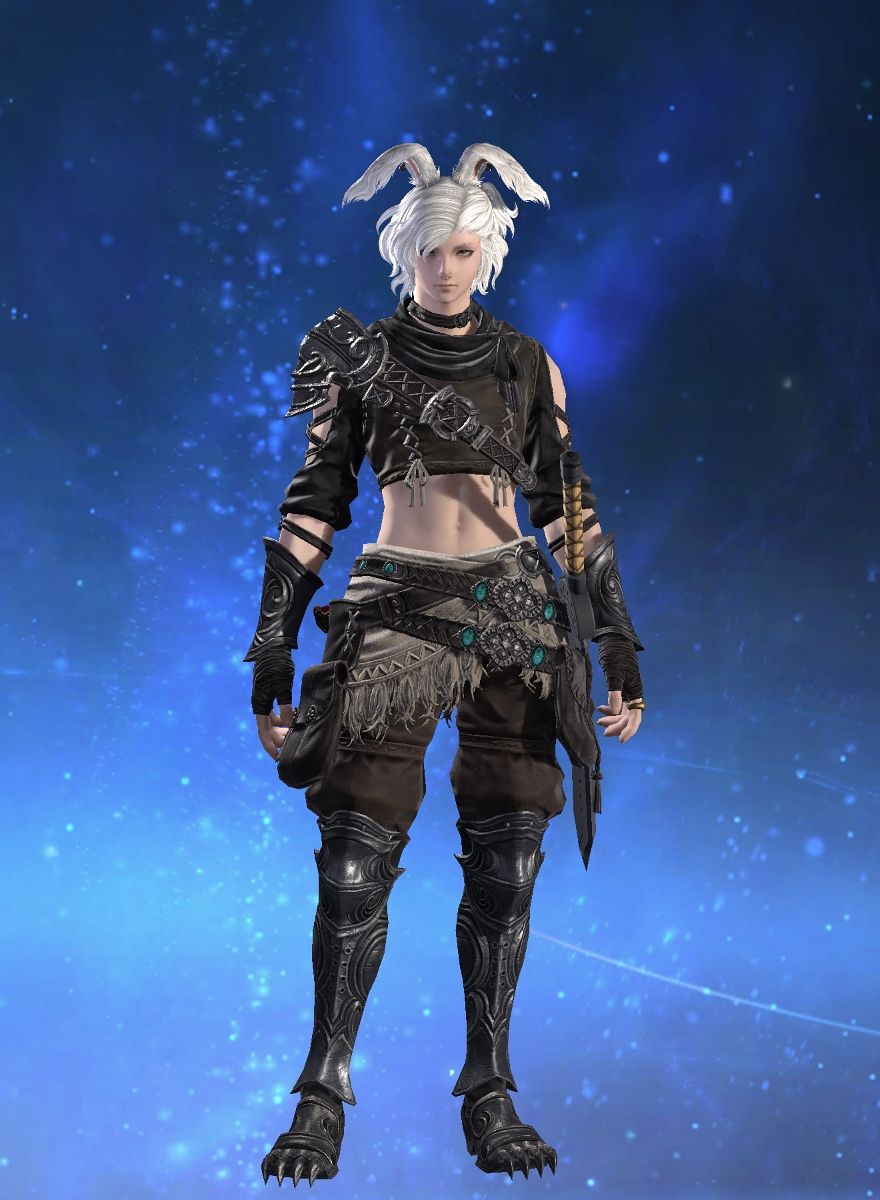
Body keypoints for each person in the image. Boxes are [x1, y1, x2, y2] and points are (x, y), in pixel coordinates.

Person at [245, 142, 645, 1187]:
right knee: (352, 857)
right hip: (395, 607)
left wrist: (615, 643)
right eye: (430, 250)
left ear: (487, 252)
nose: (447, 268)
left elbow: (568, 508)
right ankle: (322, 1089)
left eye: (464, 250)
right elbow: (312, 503)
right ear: (404, 251)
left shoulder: (526, 364)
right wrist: (273, 646)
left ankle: (490, 1087)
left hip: (514, 612)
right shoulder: (359, 359)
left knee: (510, 858)